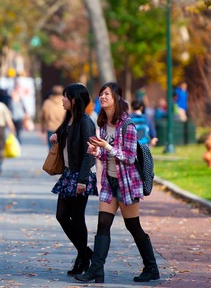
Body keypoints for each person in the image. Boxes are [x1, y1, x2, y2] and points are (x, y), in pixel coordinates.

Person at [76, 82, 160, 284]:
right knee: (103, 224)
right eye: (100, 94)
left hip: (127, 184)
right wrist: (98, 152)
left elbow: (130, 157)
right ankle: (97, 270)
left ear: (116, 98)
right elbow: (108, 157)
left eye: (106, 94)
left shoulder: (127, 125)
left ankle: (151, 267)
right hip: (109, 182)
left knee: (133, 226)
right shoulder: (104, 124)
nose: (102, 97)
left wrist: (106, 146)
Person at [49, 83, 97, 276]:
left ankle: (83, 259)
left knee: (77, 218)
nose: (62, 99)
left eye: (66, 97)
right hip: (68, 173)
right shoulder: (69, 118)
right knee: (61, 215)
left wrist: (82, 180)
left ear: (75, 99)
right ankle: (84, 253)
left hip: (79, 176)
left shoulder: (85, 122)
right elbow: (66, 139)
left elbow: (89, 153)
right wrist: (57, 137)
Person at [41, 85, 66, 149]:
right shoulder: (64, 102)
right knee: (61, 147)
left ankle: (51, 159)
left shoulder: (47, 103)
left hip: (50, 127)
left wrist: (43, 126)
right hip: (62, 128)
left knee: (51, 147)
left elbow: (43, 116)